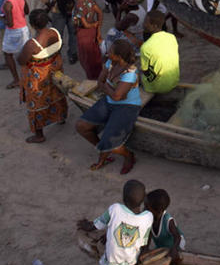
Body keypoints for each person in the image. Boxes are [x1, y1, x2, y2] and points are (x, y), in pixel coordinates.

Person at [75, 38, 140, 173]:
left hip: (127, 106)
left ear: (119, 56)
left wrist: (107, 88)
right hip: (109, 101)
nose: (107, 53)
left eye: (110, 51)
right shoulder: (111, 62)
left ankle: (129, 156)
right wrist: (109, 90)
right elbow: (100, 82)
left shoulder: (131, 73)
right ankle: (104, 150)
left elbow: (116, 96)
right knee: (81, 126)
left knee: (110, 142)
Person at [18, 9, 68, 143]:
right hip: (54, 72)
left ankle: (39, 135)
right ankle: (61, 117)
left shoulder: (32, 44)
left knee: (37, 103)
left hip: (38, 78)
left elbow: (21, 61)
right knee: (57, 93)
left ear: (33, 25)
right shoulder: (55, 33)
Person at [69, 0, 103, 79]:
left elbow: (85, 25)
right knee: (95, 57)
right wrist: (98, 29)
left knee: (87, 60)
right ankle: (100, 78)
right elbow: (100, 12)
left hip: (84, 35)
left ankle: (93, 81)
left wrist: (92, 25)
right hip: (93, 33)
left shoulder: (79, 5)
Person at [139, 10, 180, 94]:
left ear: (154, 26)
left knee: (135, 72)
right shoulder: (172, 37)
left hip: (156, 88)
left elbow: (145, 70)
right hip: (174, 82)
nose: (143, 25)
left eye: (146, 22)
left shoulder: (146, 47)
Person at [1, 0, 29, 88]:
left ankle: (16, 80)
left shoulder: (7, 3)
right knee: (26, 54)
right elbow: (26, 11)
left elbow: (10, 23)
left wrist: (3, 19)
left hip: (13, 32)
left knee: (7, 54)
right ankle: (29, 77)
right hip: (24, 28)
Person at [144, 189, 186, 262]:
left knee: (174, 259)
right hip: (161, 246)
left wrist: (174, 249)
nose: (144, 209)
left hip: (176, 244)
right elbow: (149, 236)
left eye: (147, 207)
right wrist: (145, 249)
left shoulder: (168, 220)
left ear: (157, 210)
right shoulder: (149, 219)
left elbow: (177, 237)